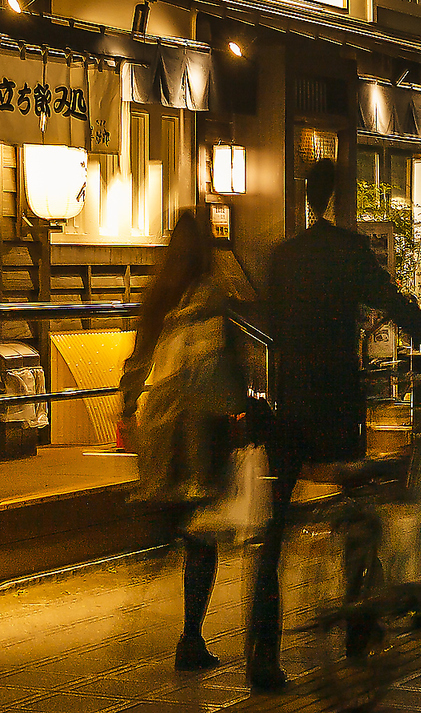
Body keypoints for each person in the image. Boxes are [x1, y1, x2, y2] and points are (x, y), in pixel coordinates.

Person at [247, 158, 421, 693]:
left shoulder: (284, 256)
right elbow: (398, 306)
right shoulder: (349, 251)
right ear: (338, 196)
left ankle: (263, 655)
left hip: (289, 399)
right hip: (336, 400)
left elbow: (268, 323)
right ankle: (356, 627)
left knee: (274, 531)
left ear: (306, 194)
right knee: (356, 501)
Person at [119, 210, 246, 672]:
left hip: (164, 423)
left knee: (182, 517)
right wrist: (244, 409)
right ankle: (191, 635)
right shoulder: (214, 297)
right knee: (203, 536)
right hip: (204, 428)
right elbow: (233, 361)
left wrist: (128, 407)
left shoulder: (159, 296)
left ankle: (158, 554)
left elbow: (138, 360)